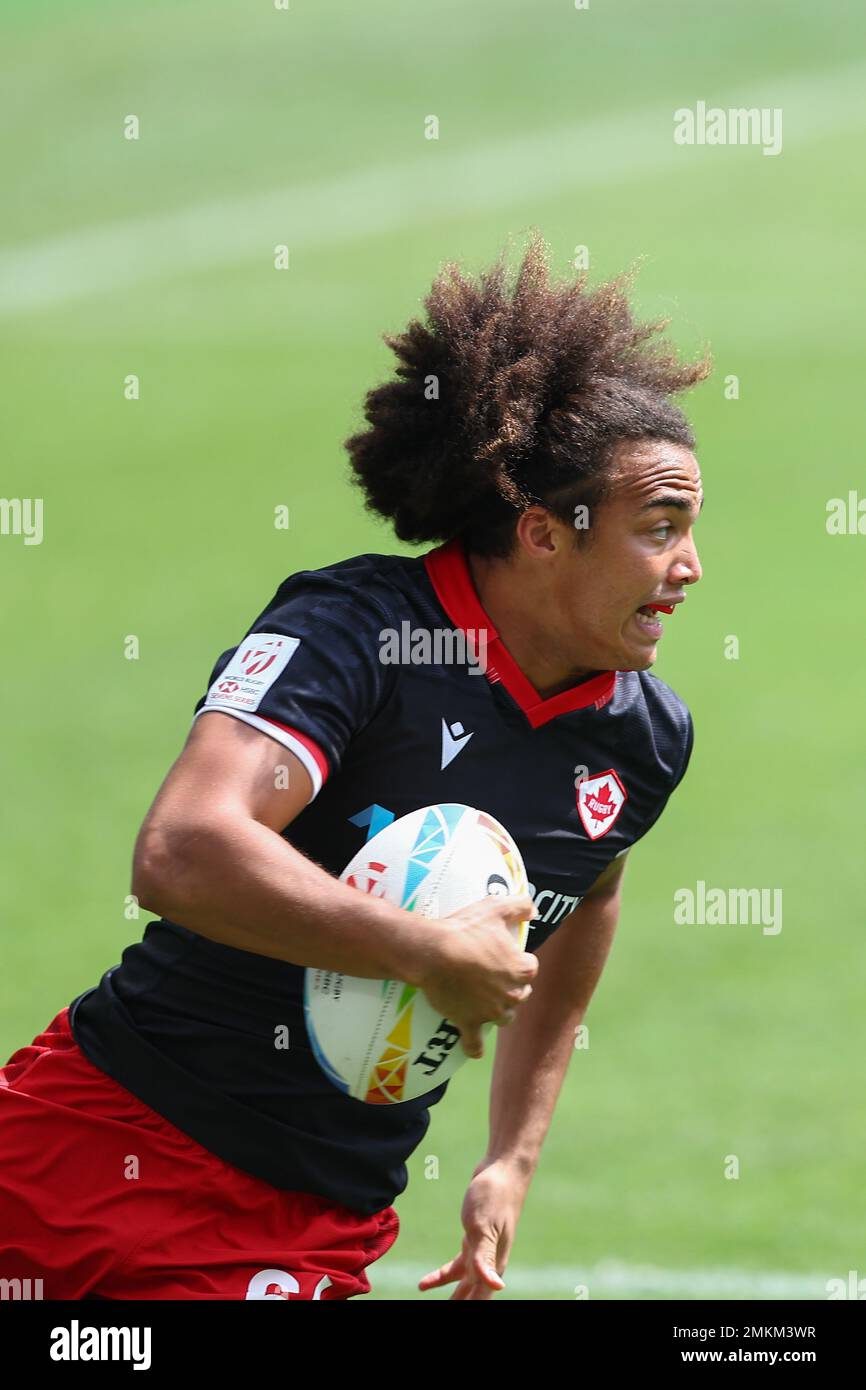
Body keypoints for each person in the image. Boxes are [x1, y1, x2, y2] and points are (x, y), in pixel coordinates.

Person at [0, 234, 708, 1300]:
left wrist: (509, 1155)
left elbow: (585, 892)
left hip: (323, 1214)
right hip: (99, 1157)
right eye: (658, 529)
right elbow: (182, 849)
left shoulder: (641, 739)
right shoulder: (357, 631)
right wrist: (419, 949)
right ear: (542, 533)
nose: (689, 567)